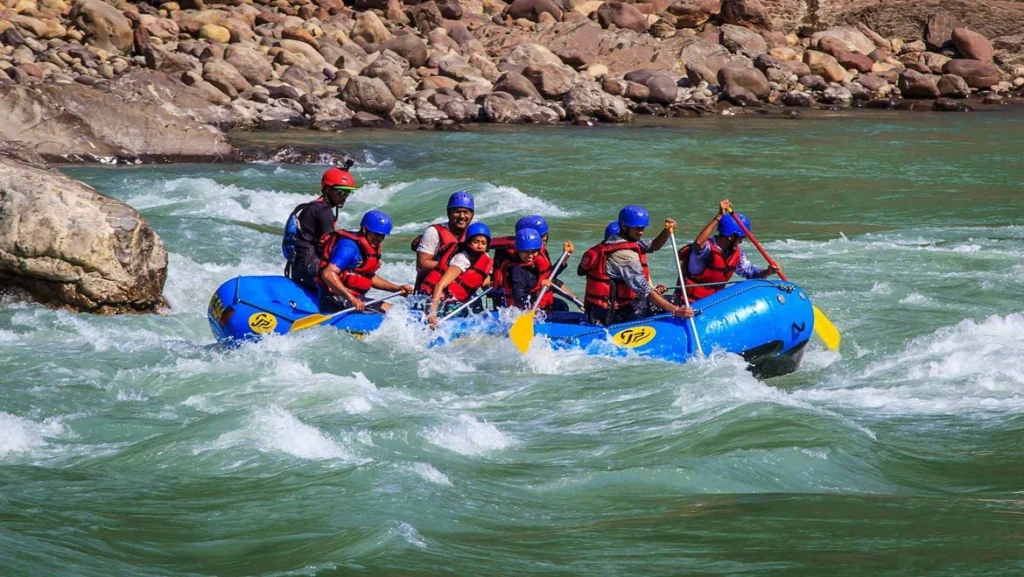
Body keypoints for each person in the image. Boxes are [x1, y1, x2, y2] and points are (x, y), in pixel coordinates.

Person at [578, 205, 694, 326]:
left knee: (668, 300)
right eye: (637, 228)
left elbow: (653, 245)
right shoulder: (624, 256)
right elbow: (644, 289)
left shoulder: (618, 240)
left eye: (643, 228)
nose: (641, 232)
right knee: (674, 302)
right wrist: (675, 310)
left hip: (600, 310)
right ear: (624, 226)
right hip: (612, 314)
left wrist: (666, 232)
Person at [678, 199, 781, 302]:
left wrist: (768, 271)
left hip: (714, 302)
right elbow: (699, 243)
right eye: (740, 238)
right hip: (690, 302)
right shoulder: (707, 250)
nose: (740, 242)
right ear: (731, 237)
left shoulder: (736, 254)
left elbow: (751, 274)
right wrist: (719, 216)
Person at [317, 210, 412, 313]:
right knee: (392, 314)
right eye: (377, 234)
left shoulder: (368, 248)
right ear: (365, 229)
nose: (380, 239)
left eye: (382, 235)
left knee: (398, 311)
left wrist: (397, 288)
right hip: (335, 299)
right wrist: (352, 299)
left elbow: (368, 277)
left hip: (354, 298)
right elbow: (328, 274)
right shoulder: (348, 248)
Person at [282, 165, 359, 291]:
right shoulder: (323, 211)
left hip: (299, 266)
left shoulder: (315, 206)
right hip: (309, 267)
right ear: (327, 189)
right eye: (341, 191)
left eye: (347, 192)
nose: (344, 196)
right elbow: (330, 247)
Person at [492, 215, 575, 308]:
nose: (544, 240)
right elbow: (519, 297)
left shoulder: (539, 252)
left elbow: (549, 276)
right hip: (519, 307)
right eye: (541, 237)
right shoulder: (515, 265)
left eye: (545, 236)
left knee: (561, 305)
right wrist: (539, 293)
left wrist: (565, 256)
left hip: (536, 300)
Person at [425, 222, 494, 327]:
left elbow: (482, 282)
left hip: (458, 302)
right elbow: (440, 285)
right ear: (469, 242)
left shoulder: (484, 259)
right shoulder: (462, 259)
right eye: (476, 242)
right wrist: (432, 313)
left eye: (483, 243)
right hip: (444, 303)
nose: (480, 246)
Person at [413, 191, 475, 293]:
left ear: (472, 214)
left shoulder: (474, 236)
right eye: (457, 211)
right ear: (448, 213)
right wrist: (455, 267)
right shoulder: (433, 232)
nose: (462, 216)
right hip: (431, 291)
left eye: (466, 212)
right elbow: (421, 265)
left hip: (460, 292)